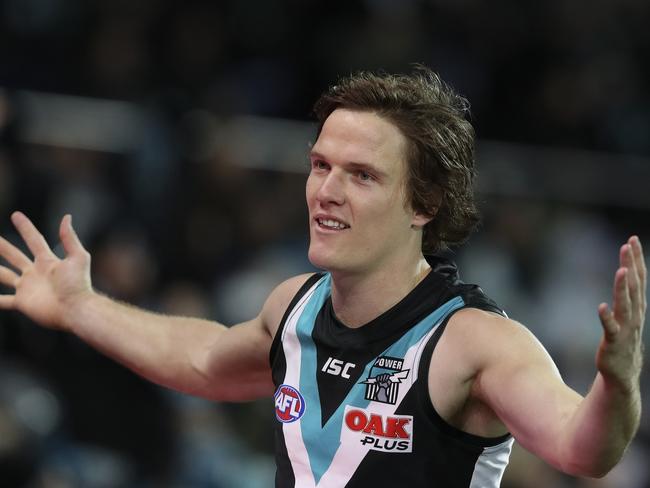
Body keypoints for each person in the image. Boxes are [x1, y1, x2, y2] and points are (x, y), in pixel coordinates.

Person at [0, 67, 645, 487]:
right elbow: (199, 359)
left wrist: (616, 389)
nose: (325, 191)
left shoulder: (475, 342)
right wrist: (79, 305)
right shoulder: (294, 309)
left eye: (361, 175)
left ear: (423, 204)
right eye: (319, 166)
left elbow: (581, 449)